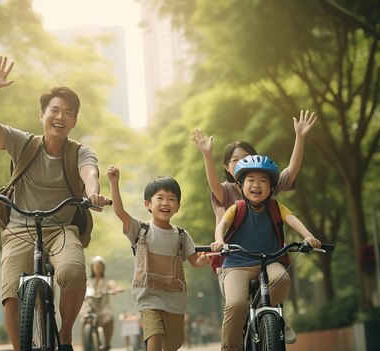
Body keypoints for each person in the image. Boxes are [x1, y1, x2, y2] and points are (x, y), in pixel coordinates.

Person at [0, 55, 111, 351]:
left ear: (74, 121)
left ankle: (66, 335)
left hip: (61, 228)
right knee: (10, 292)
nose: (60, 117)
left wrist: (93, 192)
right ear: (42, 114)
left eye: (68, 113)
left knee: (72, 272)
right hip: (20, 228)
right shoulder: (22, 143)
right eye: (54, 110)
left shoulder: (79, 152)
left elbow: (90, 173)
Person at [209, 155, 322, 351]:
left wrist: (309, 236)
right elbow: (223, 224)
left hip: (269, 261)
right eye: (250, 180)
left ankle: (268, 313)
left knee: (282, 279)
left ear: (271, 187)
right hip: (237, 263)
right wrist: (219, 241)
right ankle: (231, 348)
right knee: (235, 304)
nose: (257, 185)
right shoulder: (238, 207)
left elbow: (292, 219)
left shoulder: (276, 207)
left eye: (263, 181)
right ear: (240, 185)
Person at [191, 110, 317, 285]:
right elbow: (213, 183)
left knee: (277, 286)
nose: (241, 162)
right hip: (232, 259)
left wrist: (300, 137)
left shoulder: (264, 186)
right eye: (235, 160)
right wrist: (207, 155)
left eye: (246, 157)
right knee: (237, 303)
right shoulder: (226, 190)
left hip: (265, 257)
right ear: (227, 168)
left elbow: (291, 171)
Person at [106, 166, 209, 351]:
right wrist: (114, 183)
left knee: (174, 344)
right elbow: (120, 212)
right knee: (153, 338)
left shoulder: (182, 236)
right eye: (160, 198)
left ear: (177, 206)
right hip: (148, 298)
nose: (165, 203)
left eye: (171, 199)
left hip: (174, 300)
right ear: (147, 204)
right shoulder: (140, 229)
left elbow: (194, 260)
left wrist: (202, 260)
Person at [82, 256, 123, 350]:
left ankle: (107, 343)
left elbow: (113, 286)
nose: (97, 267)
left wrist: (115, 290)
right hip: (90, 308)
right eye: (96, 266)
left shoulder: (107, 282)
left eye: (100, 266)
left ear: (103, 268)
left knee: (109, 318)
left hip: (103, 309)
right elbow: (81, 288)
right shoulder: (87, 282)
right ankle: (85, 345)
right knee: (84, 320)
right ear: (92, 267)